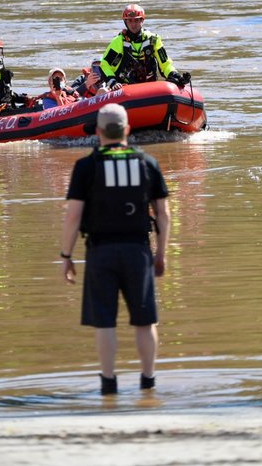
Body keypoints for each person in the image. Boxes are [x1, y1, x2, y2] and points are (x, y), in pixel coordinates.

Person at [60, 103, 171, 395]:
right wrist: (161, 253)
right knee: (146, 321)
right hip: (138, 249)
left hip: (100, 252)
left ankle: (108, 385)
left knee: (105, 322)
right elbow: (164, 214)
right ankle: (148, 384)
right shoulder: (148, 163)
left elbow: (73, 216)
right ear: (128, 130)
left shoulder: (86, 167)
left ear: (97, 132)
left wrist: (66, 256)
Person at [99, 4, 191, 87]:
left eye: (136, 20)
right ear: (125, 22)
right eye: (130, 21)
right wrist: (112, 82)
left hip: (149, 87)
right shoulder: (118, 42)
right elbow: (105, 65)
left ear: (142, 20)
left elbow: (165, 64)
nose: (133, 24)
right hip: (125, 88)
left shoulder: (153, 40)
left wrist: (176, 75)